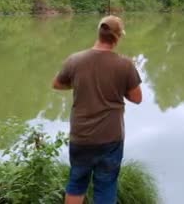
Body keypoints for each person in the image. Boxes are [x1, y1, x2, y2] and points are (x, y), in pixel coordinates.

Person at [52, 15, 143, 204]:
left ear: (99, 33)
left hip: (81, 135)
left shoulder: (74, 60)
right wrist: (121, 84)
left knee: (77, 182)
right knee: (106, 185)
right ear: (118, 37)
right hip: (110, 137)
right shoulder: (125, 64)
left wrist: (79, 83)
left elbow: (57, 84)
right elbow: (137, 98)